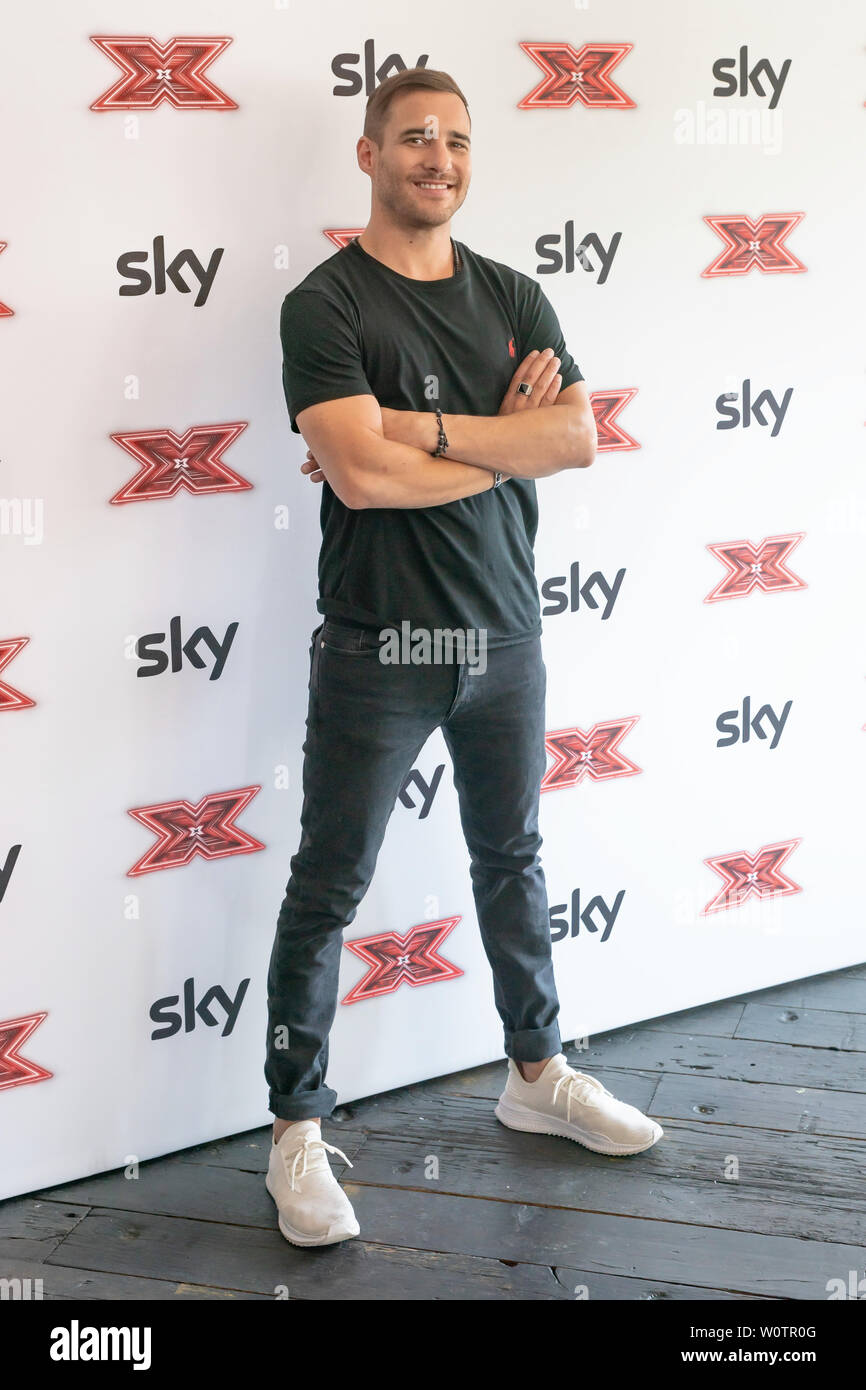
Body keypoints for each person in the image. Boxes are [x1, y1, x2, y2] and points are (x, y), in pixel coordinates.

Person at [264, 67, 663, 1248]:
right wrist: (503, 440)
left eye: (453, 140)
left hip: (503, 630)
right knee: (326, 886)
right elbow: (359, 474)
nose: (435, 157)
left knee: (512, 859)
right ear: (369, 154)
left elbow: (575, 437)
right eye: (412, 139)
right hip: (376, 643)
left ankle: (533, 1074)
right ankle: (293, 1131)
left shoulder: (515, 296)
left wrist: (425, 426)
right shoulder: (324, 305)